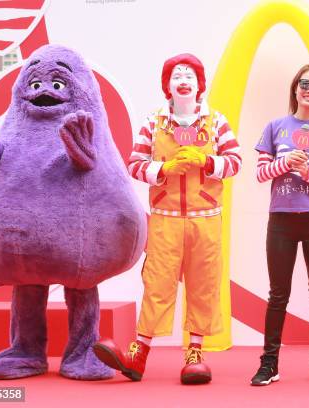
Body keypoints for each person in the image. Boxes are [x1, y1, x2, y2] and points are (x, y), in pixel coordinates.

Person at [93, 53, 242, 384]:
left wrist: (207, 161)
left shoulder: (216, 122)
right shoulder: (153, 122)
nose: (183, 79)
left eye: (190, 74)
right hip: (165, 219)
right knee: (157, 284)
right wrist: (163, 169)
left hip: (206, 219)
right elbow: (133, 164)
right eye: (176, 76)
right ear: (168, 86)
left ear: (200, 84)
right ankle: (139, 354)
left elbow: (235, 162)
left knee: (203, 285)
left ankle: (195, 353)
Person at [250, 63, 309, 386]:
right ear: (295, 88)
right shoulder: (275, 127)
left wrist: (307, 173)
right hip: (281, 221)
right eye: (304, 84)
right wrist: (283, 164)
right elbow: (261, 173)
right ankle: (269, 362)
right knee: (278, 294)